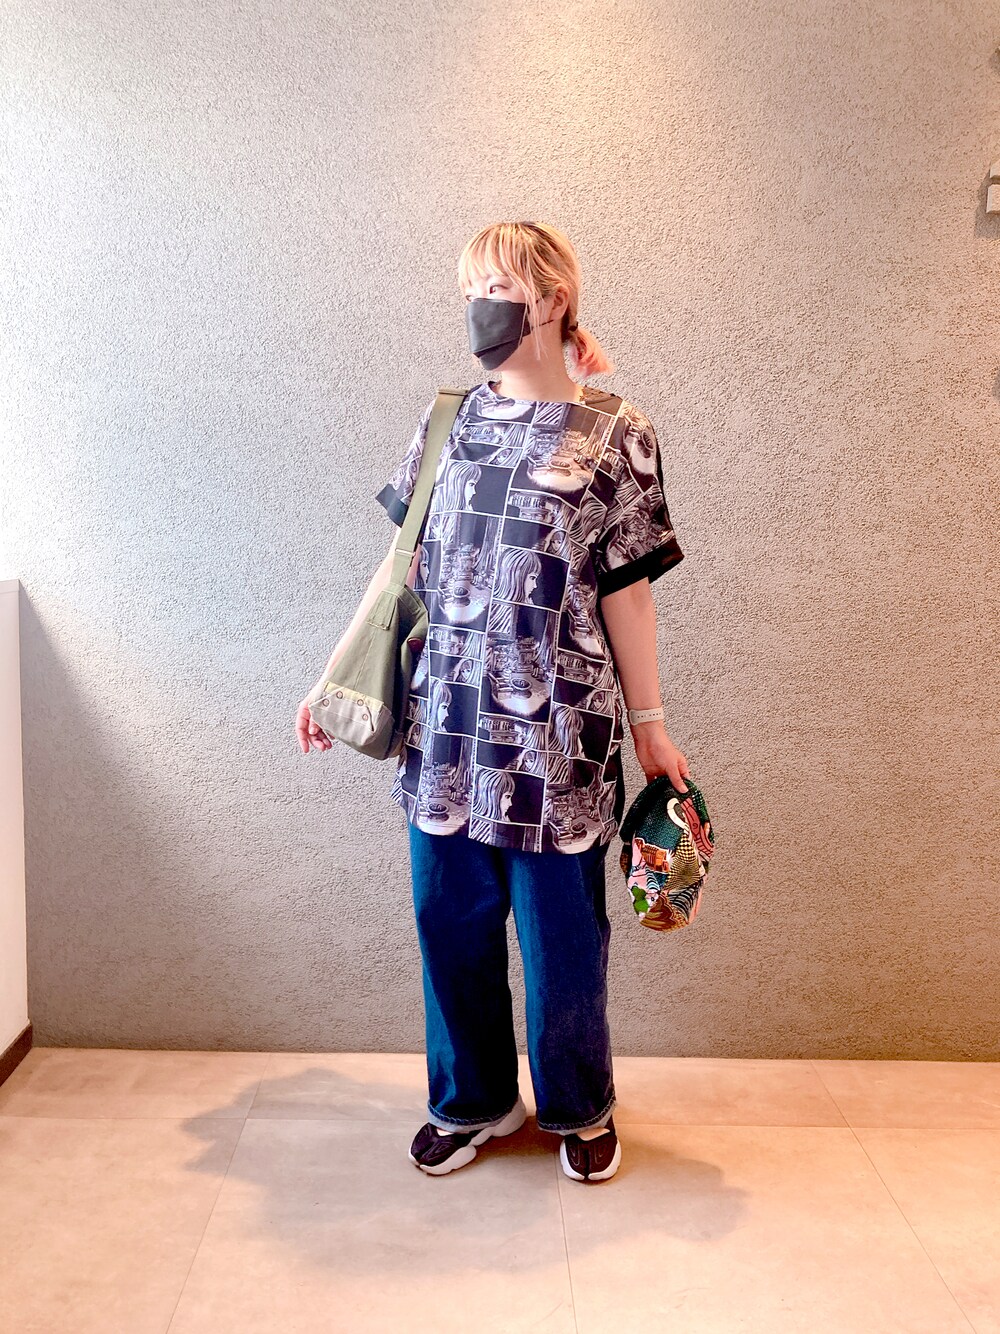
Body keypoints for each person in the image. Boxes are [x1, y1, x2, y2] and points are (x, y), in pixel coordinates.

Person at [296, 220, 691, 1184]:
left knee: (563, 944)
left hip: (560, 739)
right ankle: (474, 1099)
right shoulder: (449, 423)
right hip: (446, 732)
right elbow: (399, 567)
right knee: (451, 927)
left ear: (550, 300)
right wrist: (333, 678)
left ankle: (579, 1104)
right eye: (469, 288)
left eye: (495, 288)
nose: (477, 306)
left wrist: (651, 729)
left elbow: (628, 594)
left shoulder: (618, 435)